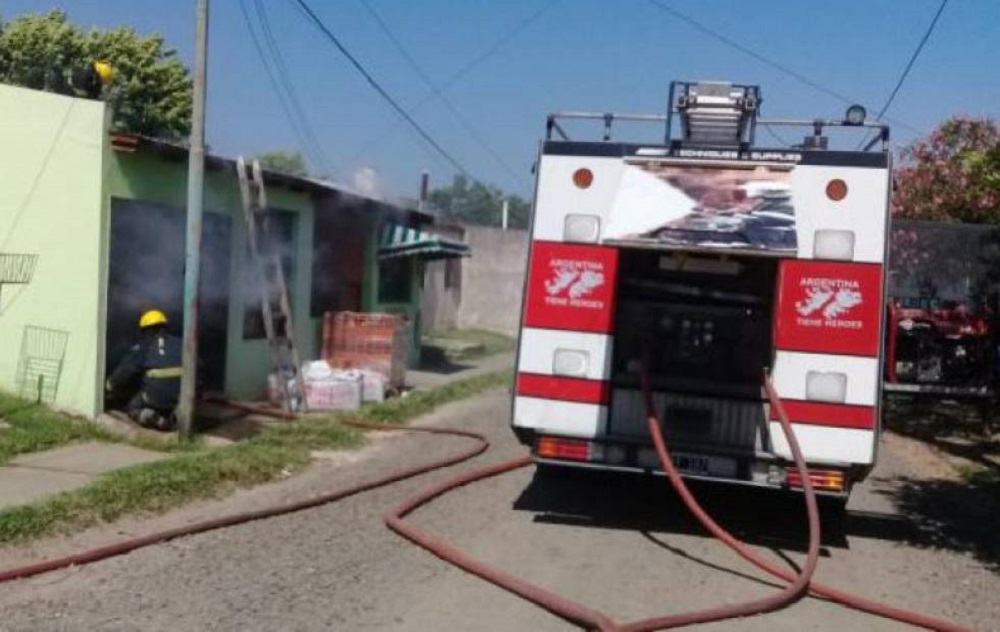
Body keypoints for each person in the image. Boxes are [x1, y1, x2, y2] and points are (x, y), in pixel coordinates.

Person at [105, 309, 182, 431]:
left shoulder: (143, 346)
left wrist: (110, 385)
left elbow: (125, 371)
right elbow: (199, 369)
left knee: (132, 406)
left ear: (146, 330)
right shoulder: (181, 343)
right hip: (180, 397)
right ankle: (174, 416)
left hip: (154, 398)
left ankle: (152, 418)